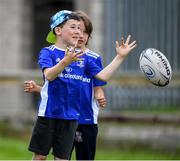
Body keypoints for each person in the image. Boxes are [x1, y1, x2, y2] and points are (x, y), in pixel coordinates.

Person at [27, 9, 136, 160]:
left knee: (62, 159)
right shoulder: (48, 52)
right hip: (49, 114)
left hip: (71, 117)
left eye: (80, 28)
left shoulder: (85, 58)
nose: (78, 32)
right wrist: (66, 61)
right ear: (58, 30)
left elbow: (102, 77)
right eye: (73, 27)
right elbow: (49, 76)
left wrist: (119, 57)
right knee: (40, 157)